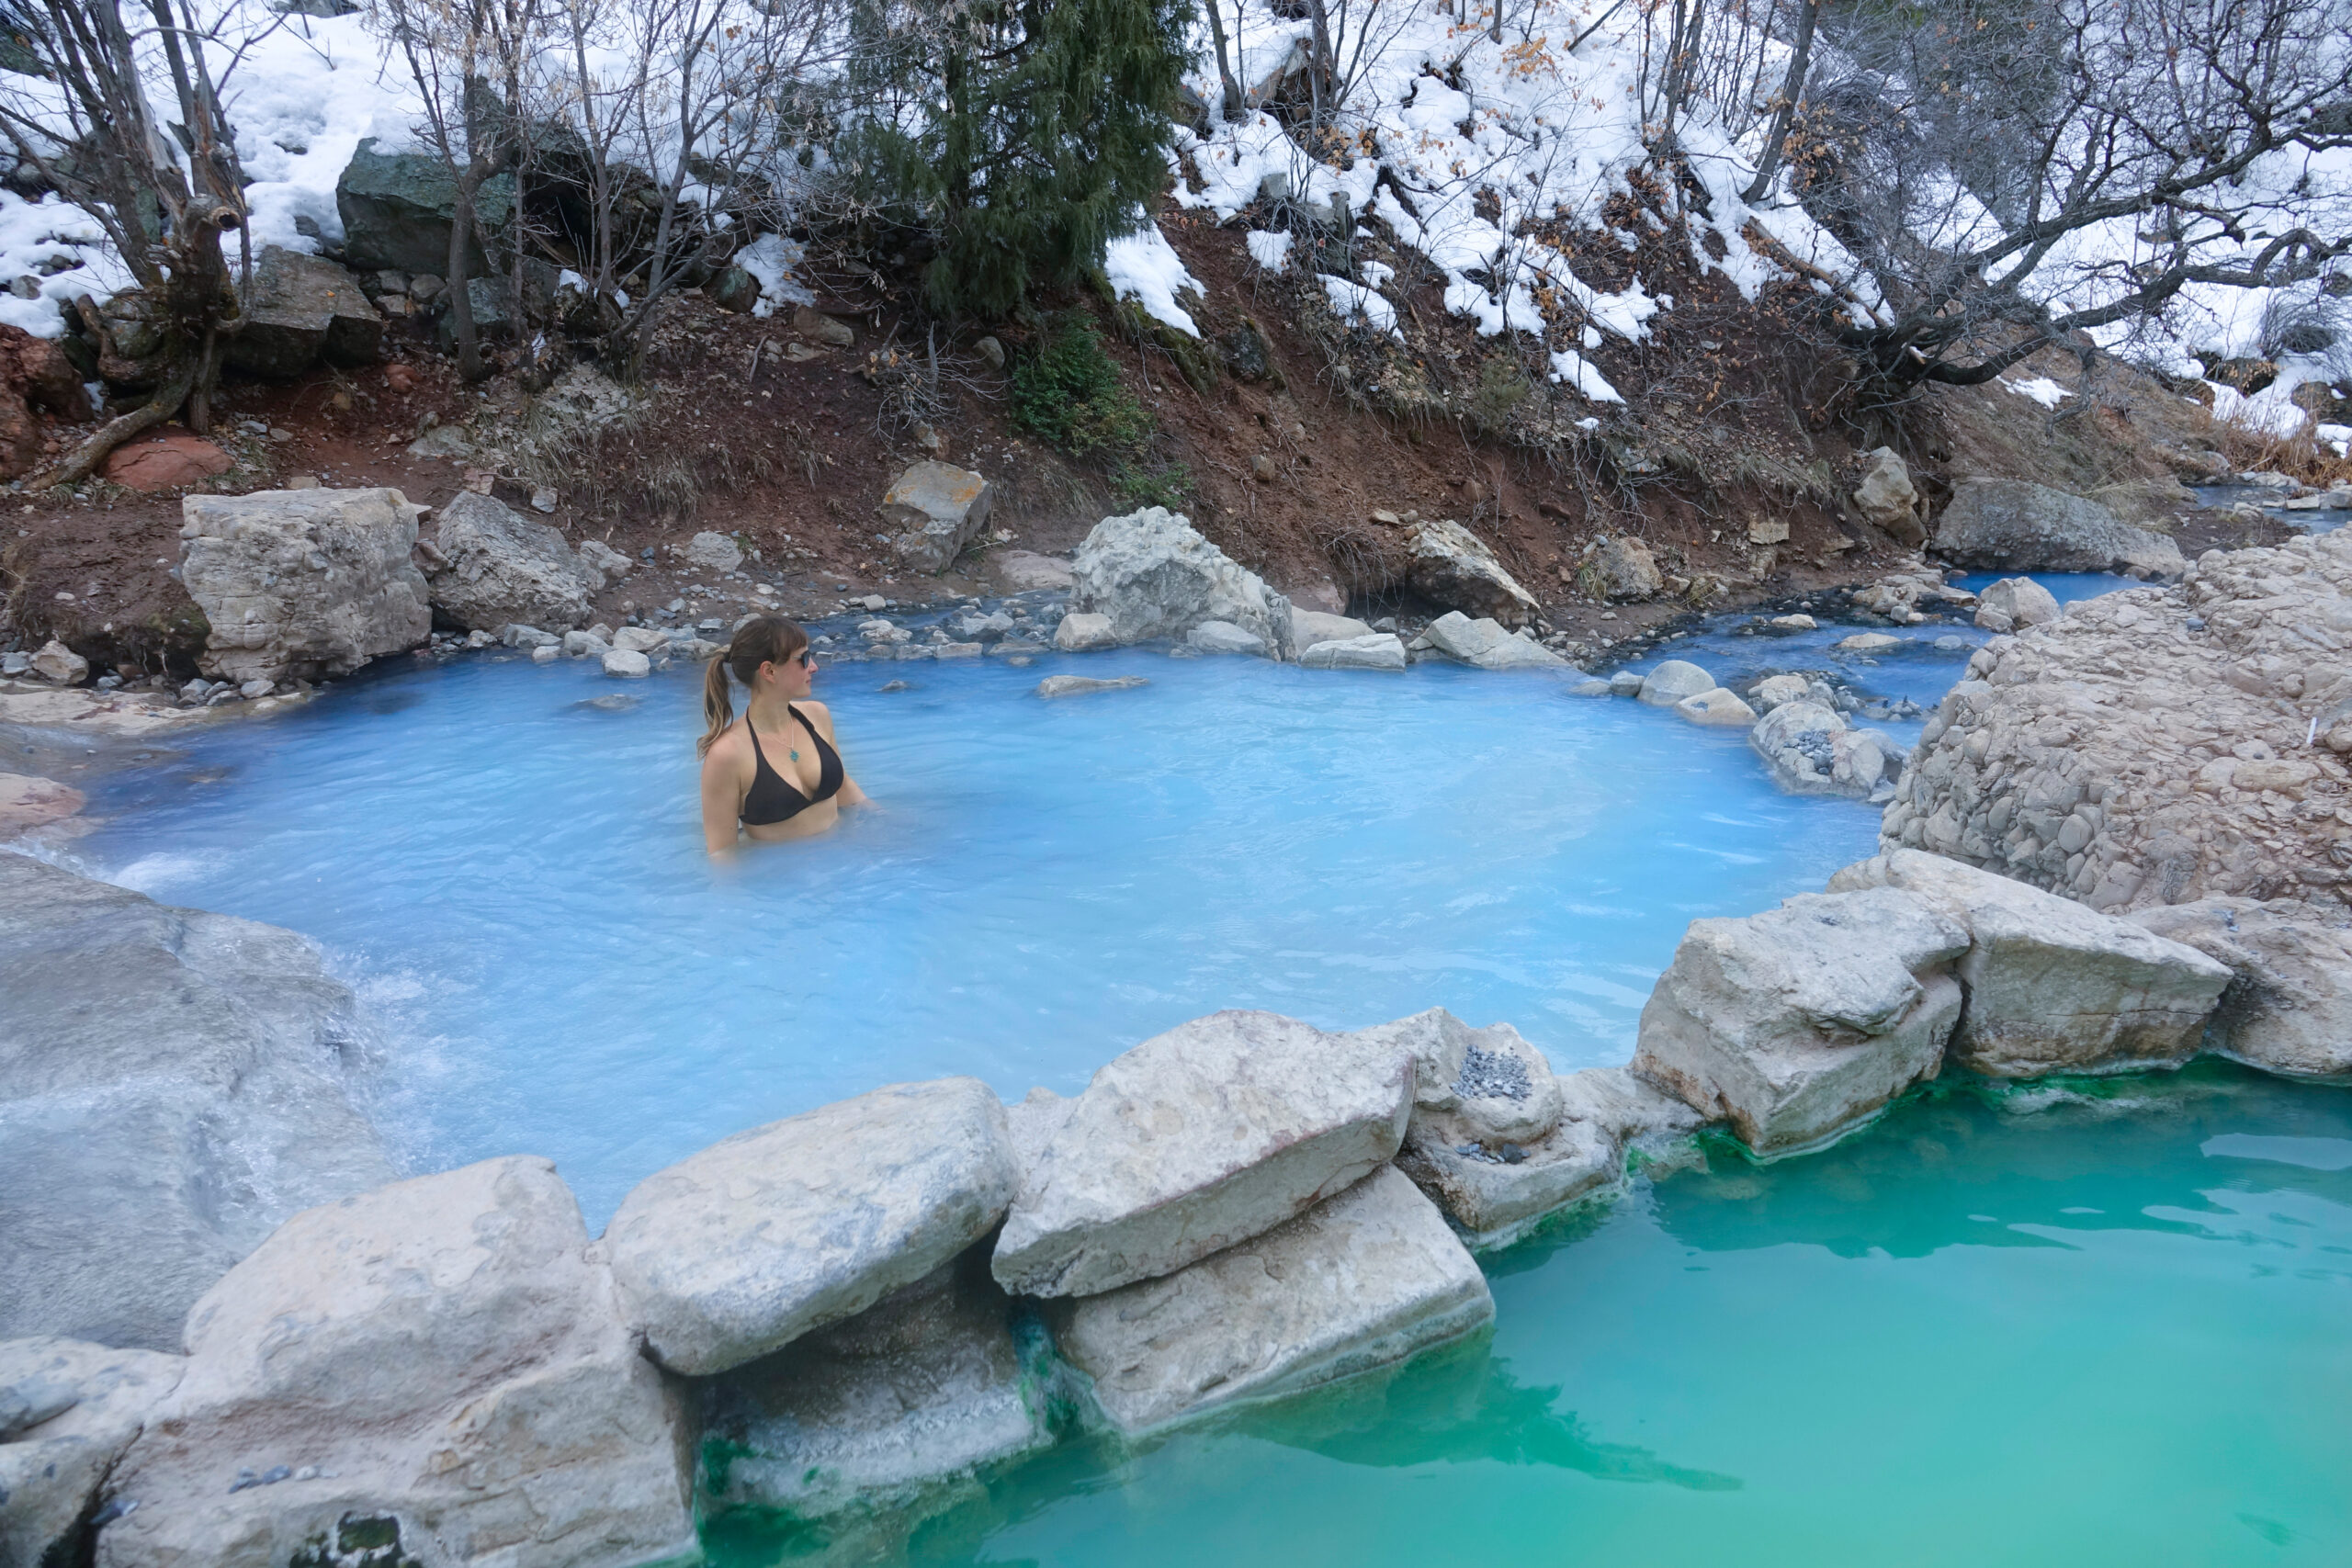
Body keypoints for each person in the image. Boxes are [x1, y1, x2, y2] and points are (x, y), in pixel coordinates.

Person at [698, 615, 868, 852]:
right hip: (783, 882)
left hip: (845, 863)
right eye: (804, 658)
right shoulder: (726, 755)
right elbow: (722, 854)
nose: (814, 667)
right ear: (769, 671)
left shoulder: (817, 716)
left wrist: (883, 821)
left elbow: (844, 788)